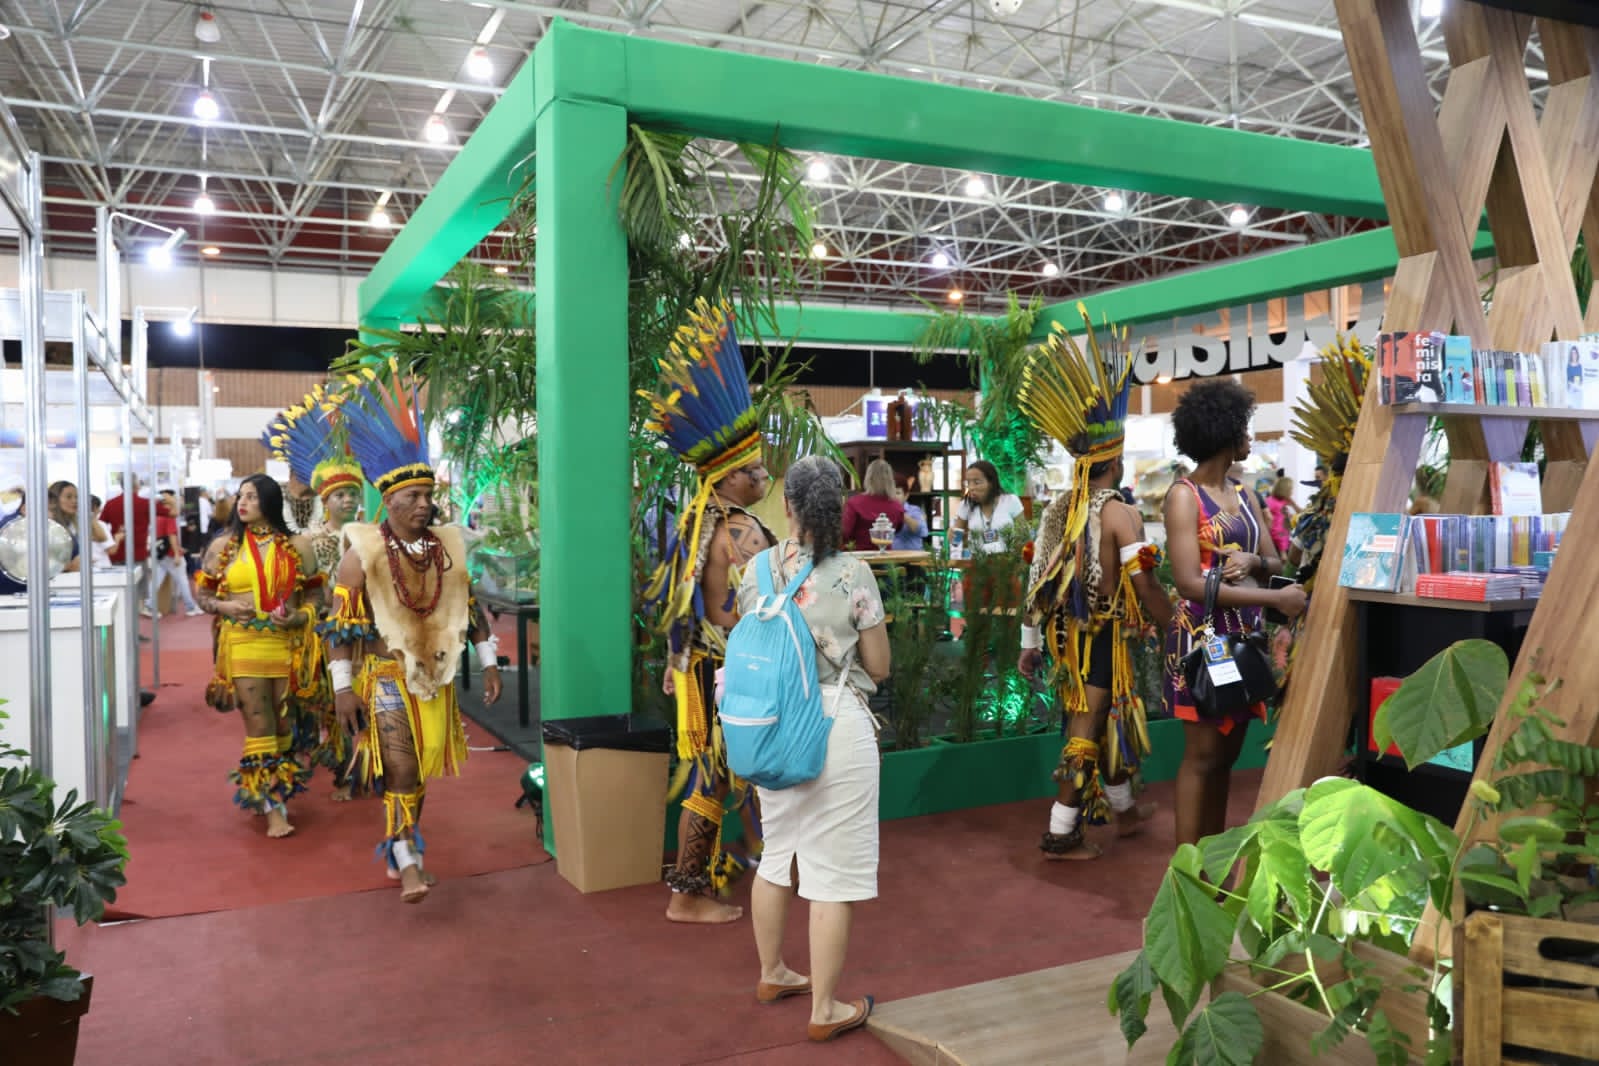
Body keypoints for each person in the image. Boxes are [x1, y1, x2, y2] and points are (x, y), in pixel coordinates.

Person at [325, 365, 503, 903]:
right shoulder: (360, 554)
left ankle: (403, 844)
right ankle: (408, 863)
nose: (424, 504)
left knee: (419, 768)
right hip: (384, 677)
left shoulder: (446, 548)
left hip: (434, 678)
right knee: (400, 767)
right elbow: (340, 629)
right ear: (389, 501)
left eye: (428, 495)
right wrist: (341, 688)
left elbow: (469, 608)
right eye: (414, 496)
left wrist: (489, 660)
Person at [738, 455, 889, 1043]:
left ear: (788, 506)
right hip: (833, 721)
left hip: (770, 722)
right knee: (832, 872)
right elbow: (879, 664)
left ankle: (772, 972)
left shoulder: (757, 570)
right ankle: (824, 1008)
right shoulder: (853, 573)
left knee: (778, 850)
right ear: (838, 507)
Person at [1017, 309, 1174, 859]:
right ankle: (1061, 834)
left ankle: (1124, 812)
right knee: (1085, 728)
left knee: (1104, 717)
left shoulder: (1058, 510)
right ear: (1116, 460)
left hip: (1063, 640)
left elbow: (1035, 583)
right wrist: (1172, 625)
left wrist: (1029, 645)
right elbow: (1146, 585)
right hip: (1100, 638)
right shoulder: (1121, 514)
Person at [642, 297, 779, 924]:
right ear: (727, 476)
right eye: (754, 468)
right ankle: (686, 894)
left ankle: (754, 854)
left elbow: (683, 610)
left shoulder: (700, 525)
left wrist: (678, 662)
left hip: (705, 669)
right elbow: (764, 605)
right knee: (712, 775)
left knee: (723, 769)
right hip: (723, 673)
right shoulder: (738, 530)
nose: (764, 474)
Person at [1163, 380, 1306, 847]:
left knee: (1225, 757)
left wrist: (1253, 561)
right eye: (1244, 428)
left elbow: (1275, 562)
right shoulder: (1184, 496)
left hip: (1243, 639)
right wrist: (1274, 601)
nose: (1250, 437)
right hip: (1204, 639)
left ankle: (1213, 856)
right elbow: (1188, 583)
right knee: (1202, 756)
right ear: (1223, 433)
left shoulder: (1245, 495)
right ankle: (1186, 869)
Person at [194, 474, 318, 839]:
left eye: (251, 496)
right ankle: (273, 811)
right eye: (240, 496)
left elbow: (317, 598)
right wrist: (225, 606)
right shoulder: (224, 546)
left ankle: (270, 792)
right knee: (260, 726)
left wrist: (299, 616)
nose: (242, 503)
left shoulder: (298, 545)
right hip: (242, 644)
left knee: (283, 727)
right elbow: (203, 596)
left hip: (286, 646)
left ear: (269, 501)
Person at [265, 391, 369, 800]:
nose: (348, 500)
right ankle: (323, 763)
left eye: (353, 494)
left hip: (361, 629)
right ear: (325, 500)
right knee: (321, 701)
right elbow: (305, 589)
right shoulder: (310, 540)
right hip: (320, 630)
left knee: (358, 695)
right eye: (340, 495)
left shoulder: (369, 536)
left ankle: (353, 769)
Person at [953, 459, 1025, 555]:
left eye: (977, 482)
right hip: (977, 560)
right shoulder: (966, 505)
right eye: (968, 483)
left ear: (991, 483)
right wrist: (953, 535)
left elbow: (1024, 536)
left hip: (1008, 560)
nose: (971, 488)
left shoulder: (1011, 501)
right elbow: (955, 541)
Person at [151, 491, 202, 616]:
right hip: (170, 553)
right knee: (182, 580)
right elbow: (171, 535)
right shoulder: (169, 515)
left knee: (157, 579)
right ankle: (190, 607)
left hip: (161, 552)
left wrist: (178, 548)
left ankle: (149, 604)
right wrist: (176, 553)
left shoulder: (158, 516)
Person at [841, 458, 903, 551]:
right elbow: (897, 529)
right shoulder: (897, 506)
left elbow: (845, 533)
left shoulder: (854, 503)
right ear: (891, 480)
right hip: (886, 557)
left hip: (858, 556)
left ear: (868, 478)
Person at [1265, 477, 1299, 557]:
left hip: (1284, 536)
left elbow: (1301, 512)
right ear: (1285, 490)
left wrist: (1293, 504)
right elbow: (1268, 519)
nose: (1292, 492)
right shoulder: (1270, 501)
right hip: (1277, 539)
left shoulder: (1284, 501)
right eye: (1291, 489)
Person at [890, 480, 928, 551]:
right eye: (891, 493)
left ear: (906, 496)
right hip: (891, 556)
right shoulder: (884, 511)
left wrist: (900, 513)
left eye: (897, 493)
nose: (894, 497)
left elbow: (923, 532)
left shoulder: (914, 510)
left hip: (913, 556)